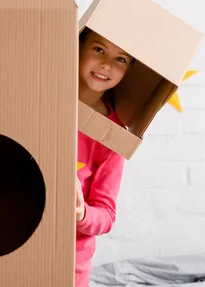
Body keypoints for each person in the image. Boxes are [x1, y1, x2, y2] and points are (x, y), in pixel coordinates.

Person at [75, 28, 135, 287]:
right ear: (78, 48)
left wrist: (80, 213)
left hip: (70, 260)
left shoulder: (112, 135)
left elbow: (106, 215)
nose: (106, 65)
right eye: (98, 49)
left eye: (120, 59)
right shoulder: (40, 101)